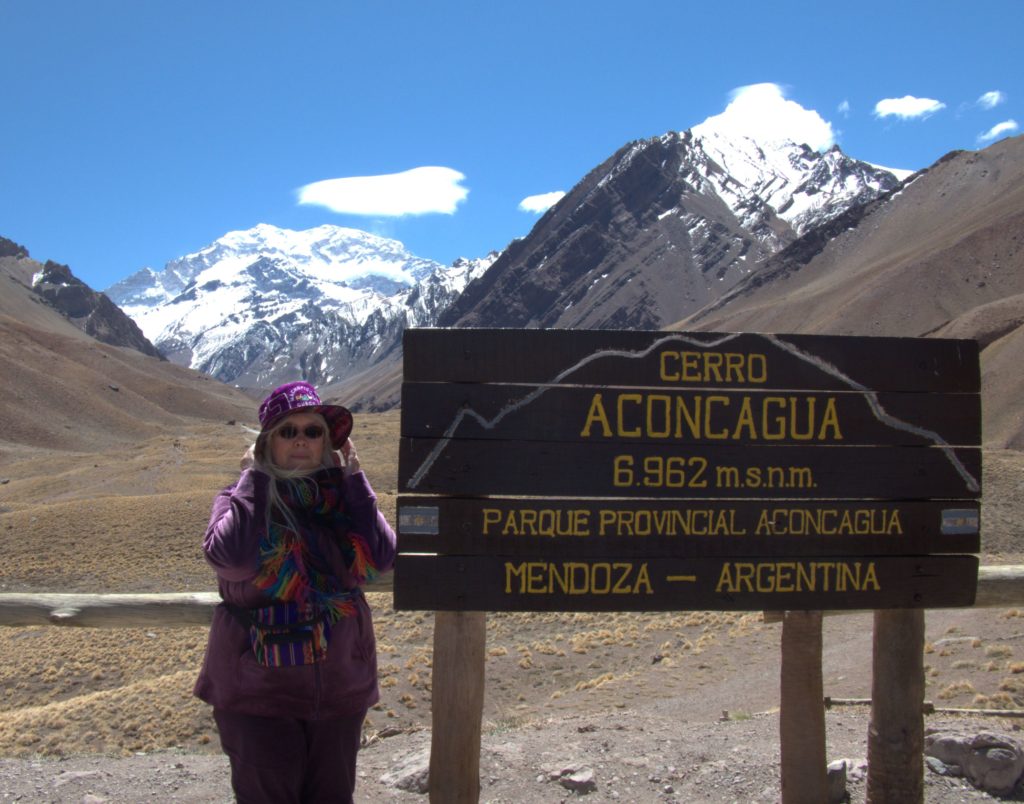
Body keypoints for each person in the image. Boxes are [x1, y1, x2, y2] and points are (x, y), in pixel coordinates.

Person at [194, 381, 396, 803]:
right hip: (258, 696)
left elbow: (381, 557)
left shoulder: (344, 501)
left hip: (338, 691)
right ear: (267, 443)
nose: (302, 440)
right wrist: (254, 478)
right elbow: (231, 558)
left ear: (328, 443)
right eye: (288, 431)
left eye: (313, 431)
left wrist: (356, 481)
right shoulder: (237, 499)